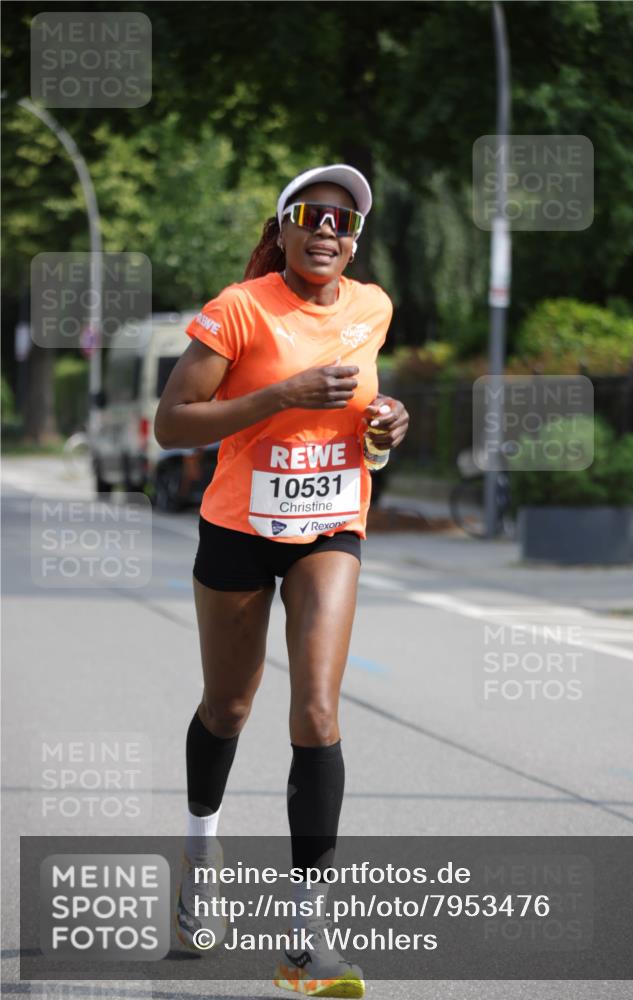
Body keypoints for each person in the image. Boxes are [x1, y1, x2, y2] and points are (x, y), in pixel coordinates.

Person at [155, 164, 409, 997]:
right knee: (228, 706)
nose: (328, 230)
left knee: (317, 709)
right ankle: (200, 853)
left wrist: (384, 428)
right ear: (285, 227)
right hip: (237, 527)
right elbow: (171, 424)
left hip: (330, 525)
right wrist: (281, 393)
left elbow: (364, 432)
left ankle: (306, 937)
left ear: (354, 239)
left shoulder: (372, 309)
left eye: (343, 221)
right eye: (312, 216)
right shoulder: (240, 307)